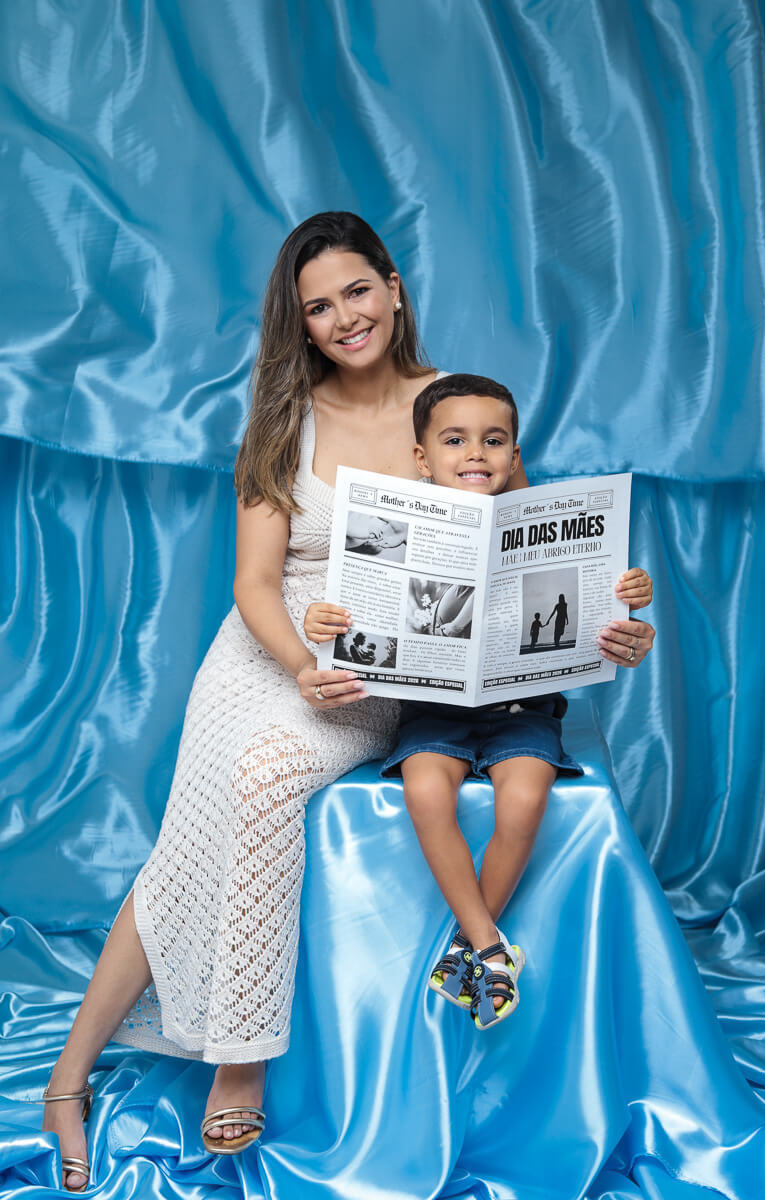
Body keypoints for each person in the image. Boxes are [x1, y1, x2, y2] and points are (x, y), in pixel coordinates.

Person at [40, 213, 655, 1192]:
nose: (342, 318)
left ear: (395, 288)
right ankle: (87, 1075)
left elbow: (527, 554)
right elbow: (251, 584)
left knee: (265, 776)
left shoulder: (459, 407)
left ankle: (199, 1053)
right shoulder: (284, 418)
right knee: (212, 811)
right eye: (317, 307)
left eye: (355, 292)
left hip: (393, 665)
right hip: (275, 647)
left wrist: (601, 621)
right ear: (303, 323)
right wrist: (295, 666)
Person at [309, 373, 653, 1032]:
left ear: (515, 452)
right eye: (456, 440)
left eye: (494, 441)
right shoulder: (391, 525)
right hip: (432, 713)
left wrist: (631, 603)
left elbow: (607, 618)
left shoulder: (551, 520)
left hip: (523, 714)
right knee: (426, 792)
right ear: (422, 457)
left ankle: (466, 953)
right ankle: (489, 945)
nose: (475, 454)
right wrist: (324, 623)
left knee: (524, 799)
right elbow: (354, 616)